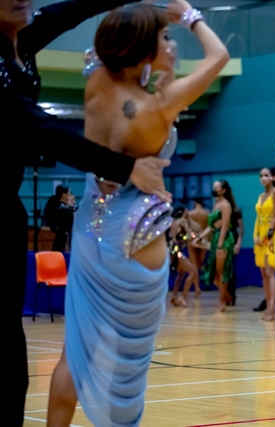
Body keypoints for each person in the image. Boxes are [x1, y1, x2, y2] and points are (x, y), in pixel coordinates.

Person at [46, 2, 229, 426]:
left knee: (75, 355)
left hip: (90, 234)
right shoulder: (160, 104)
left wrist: (148, 16)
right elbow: (219, 56)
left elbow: (104, 48)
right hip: (135, 241)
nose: (172, 45)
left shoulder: (98, 81)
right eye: (164, 38)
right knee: (126, 370)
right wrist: (190, 16)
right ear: (142, 46)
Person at [1, 0, 173, 424]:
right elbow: (42, 129)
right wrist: (124, 167)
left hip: (6, 209)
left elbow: (66, 12)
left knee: (10, 359)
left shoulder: (23, 37)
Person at [198, 180, 237, 312]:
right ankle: (226, 295)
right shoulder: (216, 204)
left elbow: (225, 225)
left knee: (221, 271)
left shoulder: (225, 205)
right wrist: (200, 237)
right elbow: (210, 227)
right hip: (215, 237)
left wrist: (220, 243)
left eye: (216, 187)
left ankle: (222, 302)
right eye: (213, 187)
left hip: (224, 238)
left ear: (223, 190)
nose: (214, 190)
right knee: (214, 274)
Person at [253, 167, 275, 321]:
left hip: (271, 236)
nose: (263, 178)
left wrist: (264, 236)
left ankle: (272, 306)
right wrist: (255, 235)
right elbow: (258, 217)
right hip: (259, 237)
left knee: (270, 271)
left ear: (272, 177)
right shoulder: (261, 196)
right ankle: (268, 304)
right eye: (261, 175)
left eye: (266, 175)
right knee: (263, 273)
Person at [168, 207, 199, 307]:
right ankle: (184, 298)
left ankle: (175, 296)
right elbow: (190, 234)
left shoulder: (173, 222)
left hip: (171, 250)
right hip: (177, 250)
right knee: (193, 271)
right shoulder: (182, 221)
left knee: (181, 274)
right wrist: (194, 236)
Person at [44, 185, 78, 252]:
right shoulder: (56, 204)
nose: (70, 195)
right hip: (61, 233)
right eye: (68, 193)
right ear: (63, 195)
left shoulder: (69, 206)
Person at [226, 203, 243, 306]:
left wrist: (239, 242)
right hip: (222, 240)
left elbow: (241, 227)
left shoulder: (236, 210)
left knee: (231, 268)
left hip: (232, 240)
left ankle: (231, 295)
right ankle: (225, 294)